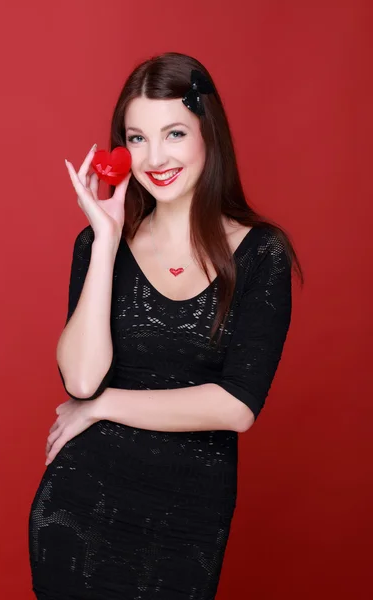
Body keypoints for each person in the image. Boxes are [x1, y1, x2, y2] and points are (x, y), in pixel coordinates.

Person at [28, 51, 303, 599]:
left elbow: (236, 406)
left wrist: (106, 406)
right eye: (136, 138)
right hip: (80, 510)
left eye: (174, 133)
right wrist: (106, 244)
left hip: (188, 522)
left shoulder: (260, 253)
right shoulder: (98, 246)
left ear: (208, 134)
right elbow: (81, 381)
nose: (155, 157)